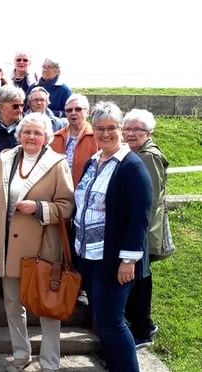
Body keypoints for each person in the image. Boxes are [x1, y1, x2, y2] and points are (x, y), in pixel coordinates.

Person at [0, 112, 75, 372]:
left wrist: (39, 207)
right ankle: (21, 356)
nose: (31, 136)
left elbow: (67, 207)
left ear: (46, 137)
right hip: (8, 248)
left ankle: (49, 363)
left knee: (47, 308)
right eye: (27, 132)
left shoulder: (57, 163)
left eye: (37, 133)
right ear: (19, 134)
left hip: (42, 249)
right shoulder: (5, 158)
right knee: (13, 305)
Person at [73, 101, 152, 372]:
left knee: (112, 321)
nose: (105, 134)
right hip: (91, 256)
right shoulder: (93, 161)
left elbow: (139, 217)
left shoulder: (131, 166)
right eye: (99, 129)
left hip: (116, 261)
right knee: (102, 318)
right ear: (92, 130)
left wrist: (128, 261)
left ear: (120, 129)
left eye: (111, 128)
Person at [123, 108, 168, 349]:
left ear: (148, 133)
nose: (130, 134)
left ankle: (142, 329)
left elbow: (146, 202)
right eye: (127, 129)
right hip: (137, 229)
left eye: (136, 130)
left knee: (139, 279)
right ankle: (142, 324)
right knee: (139, 278)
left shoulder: (147, 157)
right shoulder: (135, 152)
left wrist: (137, 233)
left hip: (142, 230)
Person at [50, 94, 98, 306]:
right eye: (69, 110)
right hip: (59, 199)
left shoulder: (96, 137)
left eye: (78, 109)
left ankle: (82, 287)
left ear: (87, 112)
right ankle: (60, 280)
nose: (73, 114)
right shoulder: (57, 137)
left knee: (82, 243)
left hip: (86, 200)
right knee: (61, 241)